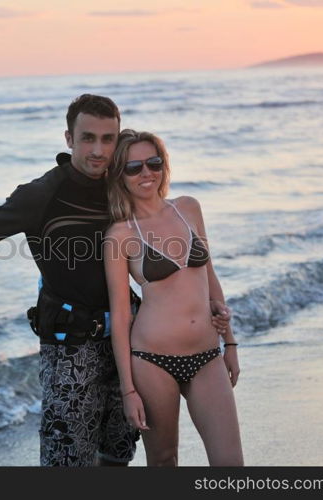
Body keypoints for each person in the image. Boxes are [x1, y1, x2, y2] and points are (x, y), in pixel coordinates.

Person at [0, 95, 232, 466]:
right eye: (88, 138)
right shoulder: (41, 195)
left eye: (107, 139)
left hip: (130, 340)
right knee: (66, 458)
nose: (98, 150)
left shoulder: (125, 184)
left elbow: (172, 238)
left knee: (118, 451)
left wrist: (215, 316)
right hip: (71, 344)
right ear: (69, 139)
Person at [103, 129, 243, 466]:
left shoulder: (188, 208)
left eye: (152, 163)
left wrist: (231, 342)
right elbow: (121, 317)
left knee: (231, 463)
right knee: (164, 460)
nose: (146, 173)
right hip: (152, 362)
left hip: (207, 355)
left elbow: (209, 278)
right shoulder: (120, 235)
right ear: (120, 175)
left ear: (163, 165)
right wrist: (128, 390)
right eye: (133, 167)